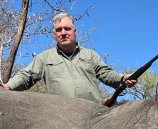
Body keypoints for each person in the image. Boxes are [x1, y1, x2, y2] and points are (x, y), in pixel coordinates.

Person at [0, 12, 137, 103]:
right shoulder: (44, 57)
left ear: (74, 32)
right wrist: (9, 87)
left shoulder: (90, 55)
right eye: (59, 30)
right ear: (54, 35)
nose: (63, 33)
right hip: (60, 116)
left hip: (94, 114)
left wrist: (122, 78)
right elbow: (26, 75)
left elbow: (106, 73)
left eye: (67, 28)